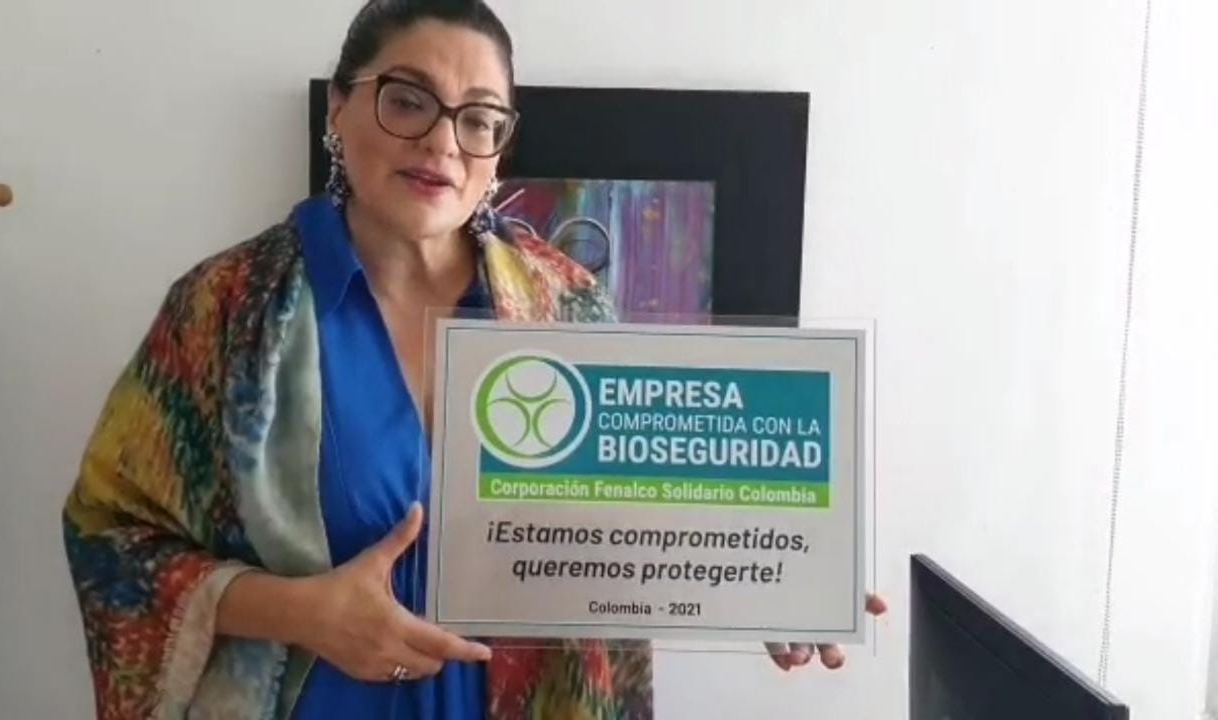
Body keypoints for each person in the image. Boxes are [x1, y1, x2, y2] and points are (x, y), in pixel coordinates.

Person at [62, 0, 884, 717]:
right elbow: (107, 535)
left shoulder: (567, 307)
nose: (442, 143)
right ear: (339, 110)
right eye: (407, 99)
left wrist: (773, 578)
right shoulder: (225, 311)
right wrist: (302, 613)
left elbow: (634, 519)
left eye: (479, 118)